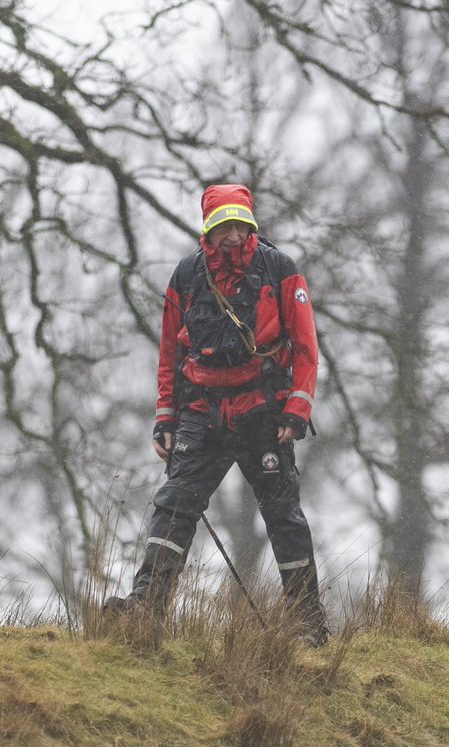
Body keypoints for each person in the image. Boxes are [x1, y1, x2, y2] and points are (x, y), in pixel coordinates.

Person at [104, 183, 326, 644]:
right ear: (208, 228)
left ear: (250, 226)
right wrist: (166, 416)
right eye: (221, 226)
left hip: (263, 413)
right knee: (172, 507)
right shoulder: (186, 275)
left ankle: (306, 626)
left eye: (238, 226)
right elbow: (169, 352)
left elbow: (306, 348)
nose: (230, 235)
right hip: (201, 412)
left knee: (283, 516)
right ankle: (146, 610)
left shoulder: (279, 269)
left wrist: (296, 410)